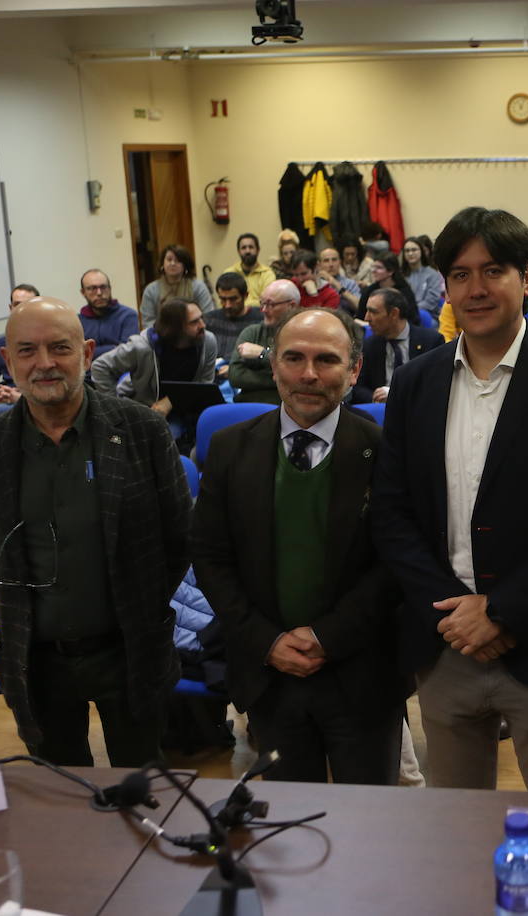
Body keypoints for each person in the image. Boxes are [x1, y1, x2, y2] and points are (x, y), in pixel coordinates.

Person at [371, 206, 528, 791]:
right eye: (460, 274)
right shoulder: (415, 383)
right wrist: (454, 613)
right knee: (456, 827)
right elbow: (392, 509)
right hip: (444, 639)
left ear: (527, 279)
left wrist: (502, 611)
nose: (475, 288)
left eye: (493, 271)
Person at [0, 297, 190, 766]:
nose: (44, 364)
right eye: (27, 351)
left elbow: (178, 540)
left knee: (140, 784)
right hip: (37, 661)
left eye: (59, 348)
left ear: (85, 353)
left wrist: (138, 604)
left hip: (130, 650)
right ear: (7, 360)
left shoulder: (143, 431)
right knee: (60, 796)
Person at [191, 307, 408, 783]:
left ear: (353, 372)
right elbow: (210, 556)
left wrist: (327, 637)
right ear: (273, 367)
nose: (308, 375)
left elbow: (396, 563)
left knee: (371, 824)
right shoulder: (229, 449)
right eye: (294, 358)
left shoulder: (388, 452)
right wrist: (266, 641)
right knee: (289, 831)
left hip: (362, 673)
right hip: (270, 675)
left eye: (327, 360)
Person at [90, 298, 218, 448]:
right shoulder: (142, 347)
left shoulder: (207, 341)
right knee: (151, 441)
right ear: (175, 327)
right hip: (142, 407)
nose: (203, 325)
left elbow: (203, 385)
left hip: (185, 408)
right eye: (194, 322)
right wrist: (115, 410)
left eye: (201, 318)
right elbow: (99, 367)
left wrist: (171, 400)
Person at [350, 288, 443, 405]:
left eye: (373, 312)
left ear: (394, 313)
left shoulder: (431, 341)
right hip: (380, 411)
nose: (366, 318)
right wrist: (377, 398)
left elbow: (436, 386)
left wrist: (394, 394)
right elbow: (357, 387)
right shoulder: (370, 344)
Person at [229, 280, 299, 405]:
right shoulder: (252, 332)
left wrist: (262, 354)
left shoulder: (303, 336)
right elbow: (235, 376)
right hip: (247, 404)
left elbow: (296, 375)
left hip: (284, 407)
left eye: (270, 304)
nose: (264, 310)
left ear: (292, 306)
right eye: (262, 304)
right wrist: (278, 379)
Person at [0, 284, 40, 404]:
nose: (22, 309)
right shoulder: (2, 343)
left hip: (41, 403)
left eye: (28, 304)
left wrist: (22, 399)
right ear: (11, 308)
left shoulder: (50, 340)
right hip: (7, 402)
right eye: (17, 304)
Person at [204, 272, 264, 377]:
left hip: (246, 375)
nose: (227, 305)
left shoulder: (260, 318)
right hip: (215, 374)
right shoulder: (209, 320)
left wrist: (235, 369)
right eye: (222, 299)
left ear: (246, 296)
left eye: (233, 299)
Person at [141, 245, 214, 327]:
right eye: (169, 259)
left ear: (185, 265)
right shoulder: (151, 290)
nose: (172, 263)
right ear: (162, 264)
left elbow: (209, 316)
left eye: (178, 260)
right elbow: (148, 322)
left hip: (194, 332)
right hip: (162, 335)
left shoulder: (198, 287)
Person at [77, 269, 139, 358]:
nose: (99, 293)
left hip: (120, 371)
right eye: (92, 288)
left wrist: (89, 352)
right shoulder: (78, 321)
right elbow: (77, 354)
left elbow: (129, 353)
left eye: (103, 287)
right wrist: (115, 348)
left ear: (110, 288)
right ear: (83, 292)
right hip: (88, 371)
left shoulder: (128, 316)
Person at [358, 253, 419, 324]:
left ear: (391, 271)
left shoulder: (404, 292)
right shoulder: (369, 291)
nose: (373, 271)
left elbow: (412, 320)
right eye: (373, 267)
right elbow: (360, 316)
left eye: (379, 268)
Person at [224, 233, 277, 308]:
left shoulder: (267, 274)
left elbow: (268, 301)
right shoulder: (229, 274)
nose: (247, 251)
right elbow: (225, 302)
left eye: (251, 247)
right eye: (243, 248)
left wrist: (240, 304)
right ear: (238, 251)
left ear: (258, 250)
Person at [401, 235, 446, 317]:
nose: (410, 253)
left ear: (421, 251)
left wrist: (412, 310)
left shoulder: (432, 274)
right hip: (405, 315)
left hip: (429, 315)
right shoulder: (400, 275)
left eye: (414, 250)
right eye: (407, 251)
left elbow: (431, 301)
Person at [318, 247, 361, 313]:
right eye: (326, 261)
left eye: (334, 260)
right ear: (319, 265)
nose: (331, 264)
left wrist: (337, 285)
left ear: (340, 262)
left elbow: (359, 307)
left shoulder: (350, 283)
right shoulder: (315, 284)